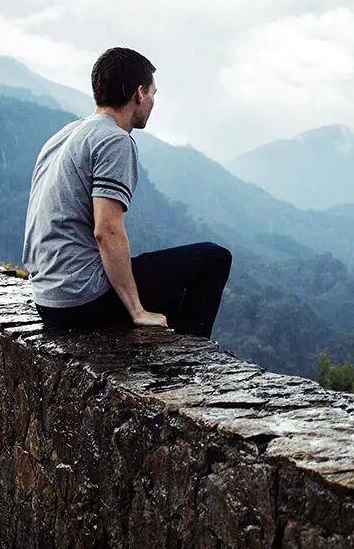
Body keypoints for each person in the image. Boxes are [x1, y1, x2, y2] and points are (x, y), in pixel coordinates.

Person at [21, 47, 232, 338]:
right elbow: (106, 231)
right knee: (214, 258)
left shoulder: (66, 135)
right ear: (139, 93)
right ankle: (193, 360)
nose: (153, 102)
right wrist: (137, 310)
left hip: (48, 296)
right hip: (80, 299)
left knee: (171, 295)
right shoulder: (114, 140)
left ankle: (172, 349)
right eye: (153, 94)